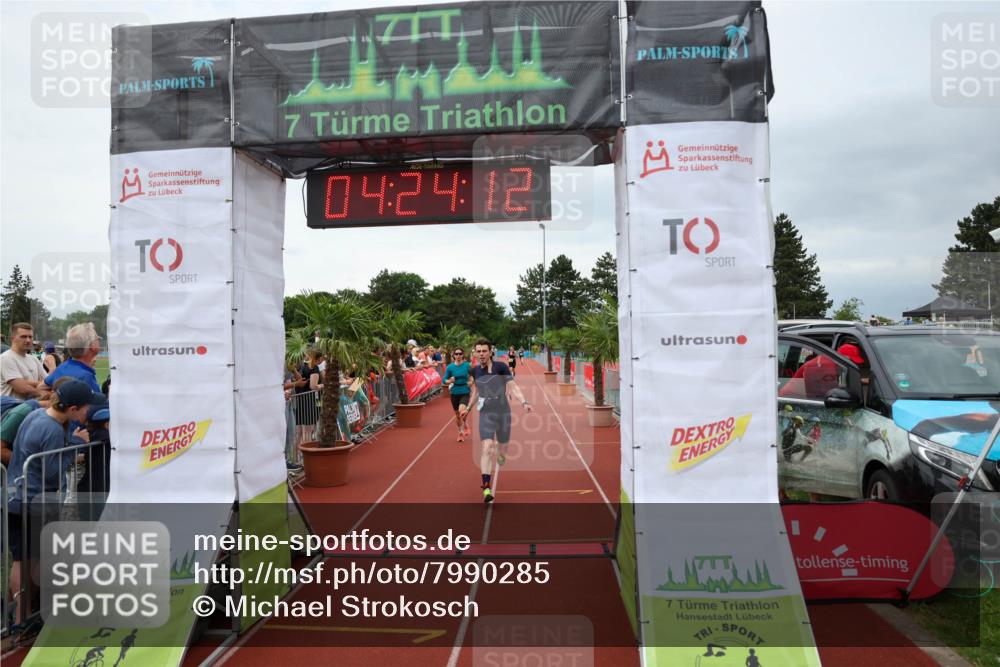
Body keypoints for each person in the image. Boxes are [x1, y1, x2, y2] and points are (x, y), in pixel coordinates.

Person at [7, 380, 99, 624]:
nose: (88, 411)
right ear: (73, 409)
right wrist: (76, 444)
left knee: (20, 560)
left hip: (14, 495)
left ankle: (21, 617)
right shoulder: (53, 430)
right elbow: (52, 473)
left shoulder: (35, 415)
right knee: (40, 559)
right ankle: (30, 616)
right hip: (34, 500)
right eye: (86, 407)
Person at [467, 338, 533, 504]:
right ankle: (486, 488)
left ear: (490, 352)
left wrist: (524, 402)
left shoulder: (501, 367)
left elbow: (513, 387)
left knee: (502, 449)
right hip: (486, 413)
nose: (481, 354)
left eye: (484, 351)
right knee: (486, 447)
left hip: (503, 411)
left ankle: (502, 452)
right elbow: (476, 392)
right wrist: (467, 409)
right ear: (475, 353)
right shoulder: (474, 371)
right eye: (478, 351)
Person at [44, 322, 102, 393]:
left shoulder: (62, 367)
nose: (99, 342)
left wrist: (54, 398)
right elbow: (97, 400)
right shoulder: (86, 377)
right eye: (97, 339)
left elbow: (41, 387)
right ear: (92, 346)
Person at [1, 323, 46, 399]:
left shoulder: (34, 359)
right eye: (23, 337)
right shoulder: (5, 358)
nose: (28, 340)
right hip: (13, 405)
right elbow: (22, 388)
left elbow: (47, 381)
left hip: (31, 404)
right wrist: (43, 393)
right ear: (12, 338)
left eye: (30, 337)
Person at [442, 347, 473, 442]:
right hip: (454, 391)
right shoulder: (450, 367)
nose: (458, 355)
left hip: (465, 390)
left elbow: (472, 376)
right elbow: (444, 380)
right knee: (457, 415)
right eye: (456, 354)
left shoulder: (467, 365)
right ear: (454, 355)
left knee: (461, 410)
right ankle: (460, 432)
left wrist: (471, 382)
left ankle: (464, 425)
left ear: (462, 355)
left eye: (460, 354)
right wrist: (449, 381)